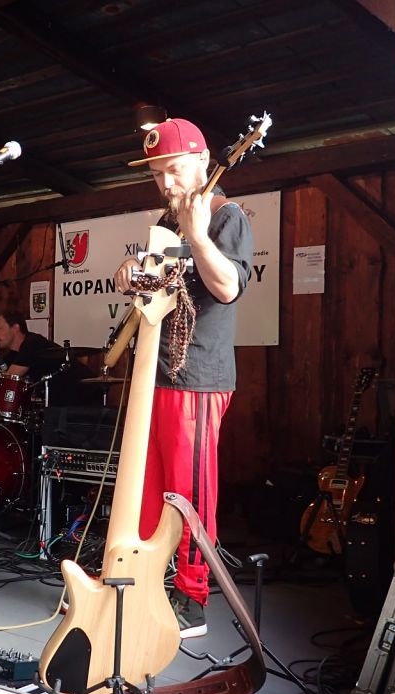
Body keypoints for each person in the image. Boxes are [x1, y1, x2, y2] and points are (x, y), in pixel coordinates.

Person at [114, 117, 254, 638]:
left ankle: (192, 599)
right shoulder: (166, 221)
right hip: (155, 371)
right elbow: (158, 285)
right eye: (157, 174)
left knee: (190, 492)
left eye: (173, 170)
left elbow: (227, 287)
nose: (166, 183)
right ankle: (140, 581)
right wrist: (130, 271)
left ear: (201, 161)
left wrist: (197, 233)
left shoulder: (226, 216)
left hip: (196, 377)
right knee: (147, 487)